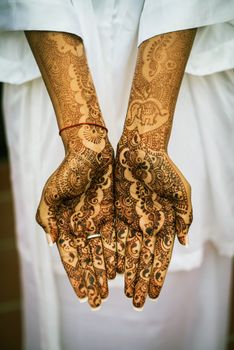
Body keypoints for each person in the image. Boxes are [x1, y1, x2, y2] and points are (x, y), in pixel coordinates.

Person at [0, 1, 234, 349]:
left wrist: (145, 135)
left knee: (184, 303)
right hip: (54, 82)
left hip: (187, 70)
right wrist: (84, 134)